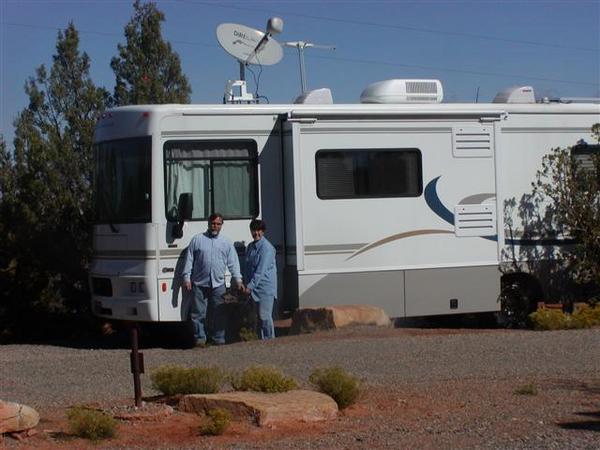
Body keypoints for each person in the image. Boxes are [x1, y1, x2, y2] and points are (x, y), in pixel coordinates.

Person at [182, 213, 242, 346]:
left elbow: (233, 263)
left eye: (218, 224)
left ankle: (218, 340)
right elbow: (189, 260)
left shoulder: (226, 243)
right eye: (213, 223)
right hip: (199, 283)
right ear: (208, 224)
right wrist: (186, 277)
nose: (215, 226)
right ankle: (200, 340)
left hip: (218, 284)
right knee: (198, 314)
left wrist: (238, 279)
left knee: (219, 313)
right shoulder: (197, 240)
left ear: (221, 225)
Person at [243, 219, 277, 340]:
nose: (256, 233)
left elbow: (260, 271)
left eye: (259, 230)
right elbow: (247, 267)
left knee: (265, 317)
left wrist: (250, 286)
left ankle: (269, 341)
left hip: (265, 288)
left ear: (263, 232)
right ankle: (260, 342)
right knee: (257, 318)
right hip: (253, 289)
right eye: (254, 230)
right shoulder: (250, 247)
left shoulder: (267, 248)